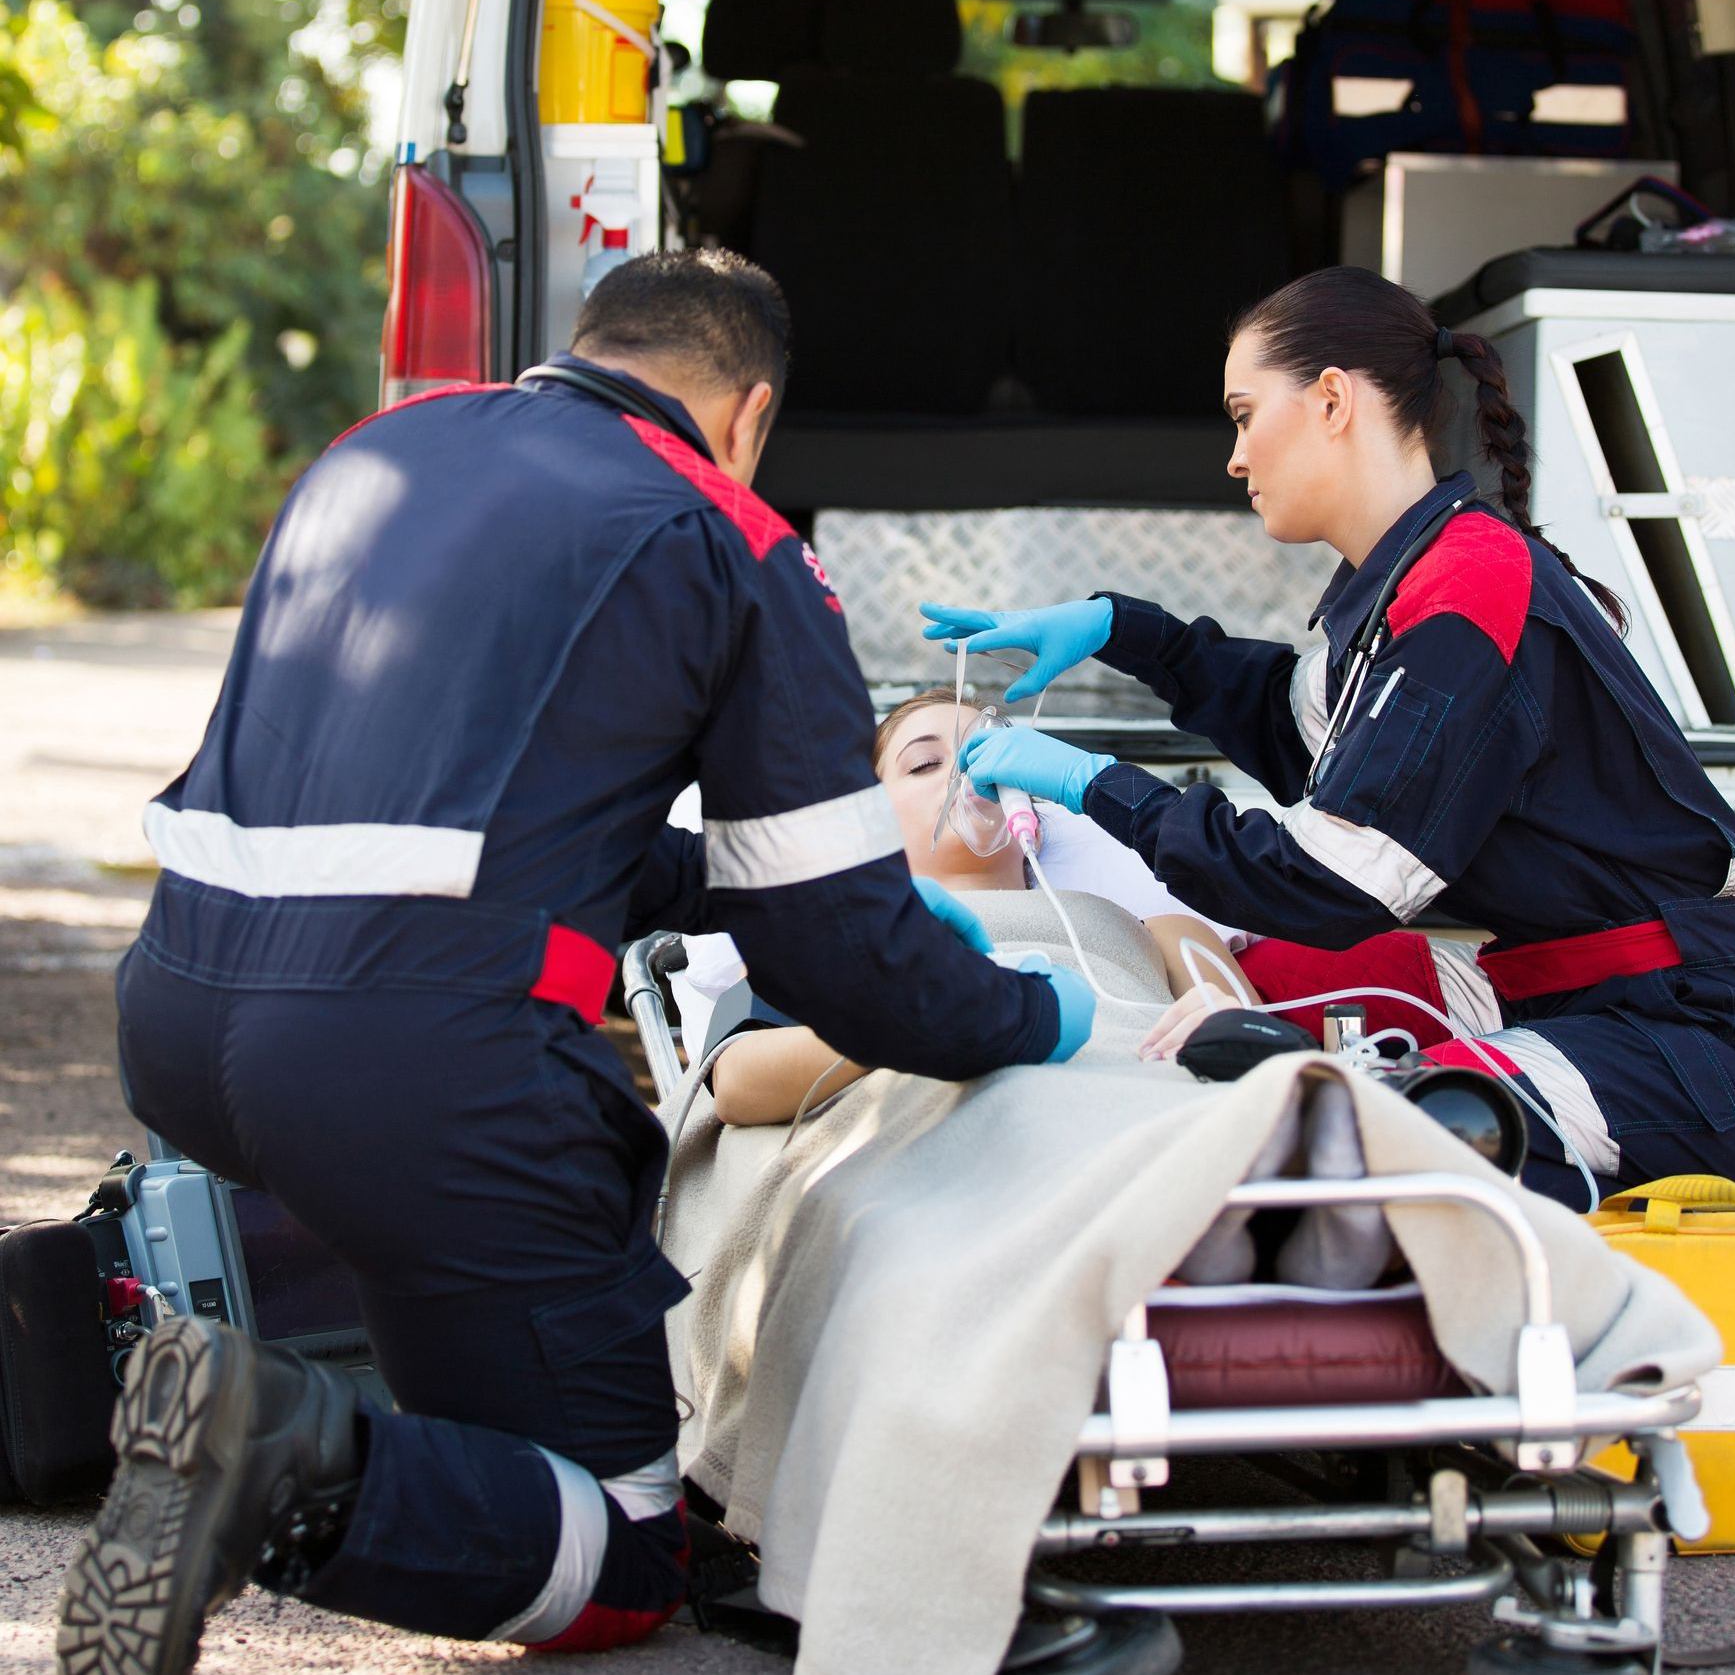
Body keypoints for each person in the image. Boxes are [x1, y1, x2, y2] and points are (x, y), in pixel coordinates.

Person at [59, 251, 1094, 1675]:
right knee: (624, 1554)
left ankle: (285, 1438)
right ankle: (281, 1446)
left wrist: (728, 901)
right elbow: (840, 951)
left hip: (184, 1015)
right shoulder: (728, 534)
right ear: (749, 414)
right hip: (420, 1075)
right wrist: (1025, 1013)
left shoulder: (375, 456)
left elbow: (515, 824)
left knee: (497, 1459)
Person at [927, 265, 1735, 1208]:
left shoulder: (1470, 591)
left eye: (1245, 414)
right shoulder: (1415, 583)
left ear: (1332, 399)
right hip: (1573, 992)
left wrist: (1095, 783)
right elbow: (1298, 730)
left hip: (1711, 1042)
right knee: (1272, 983)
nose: (1235, 457)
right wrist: (1124, 629)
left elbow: (1333, 882)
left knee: (1346, 1130)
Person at [705, 686, 1251, 1125]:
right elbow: (735, 1086)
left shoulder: (1162, 932)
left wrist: (1229, 1025)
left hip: (1149, 1124)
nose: (968, 771)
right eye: (924, 764)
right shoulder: (825, 937)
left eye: (991, 753)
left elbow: (1287, 1056)